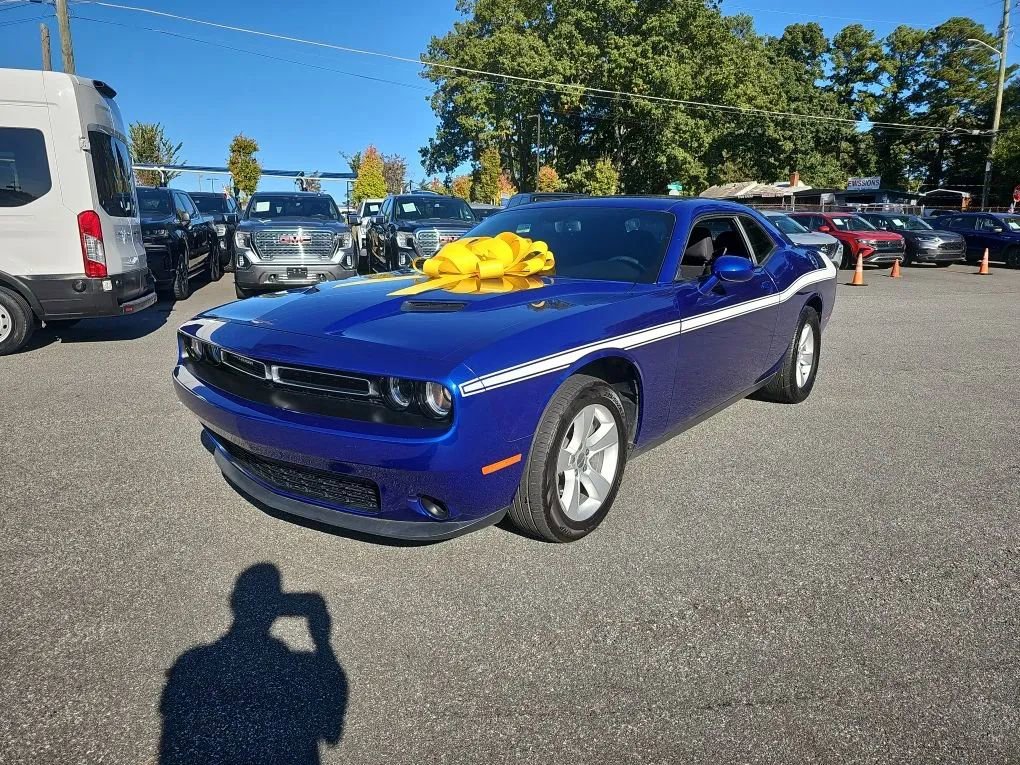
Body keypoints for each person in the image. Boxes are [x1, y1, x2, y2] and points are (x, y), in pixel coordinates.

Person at [159, 564, 347, 765]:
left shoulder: (192, 663)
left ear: (232, 602)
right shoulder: (301, 669)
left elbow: (173, 724)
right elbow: (330, 731)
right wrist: (323, 643)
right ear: (275, 611)